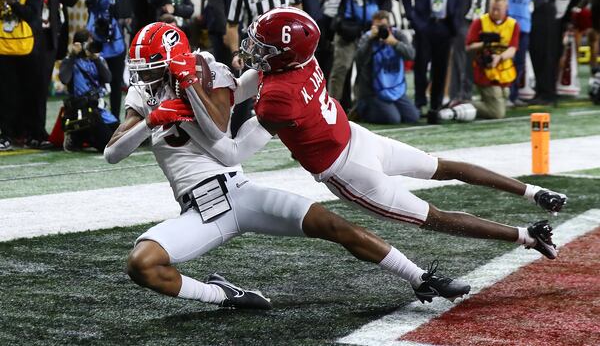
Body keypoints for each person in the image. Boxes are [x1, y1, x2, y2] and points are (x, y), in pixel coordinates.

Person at [104, 22, 470, 308]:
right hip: (201, 209)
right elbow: (113, 153)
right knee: (141, 264)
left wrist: (187, 88)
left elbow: (217, 130)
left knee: (334, 225)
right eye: (141, 69)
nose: (143, 77)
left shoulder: (206, 70)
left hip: (238, 188)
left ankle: (420, 277)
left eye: (152, 68)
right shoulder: (143, 94)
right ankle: (225, 296)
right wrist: (152, 120)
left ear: (176, 61)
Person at [228, 7, 566, 264]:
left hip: (349, 171)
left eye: (264, 46)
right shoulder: (304, 59)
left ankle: (527, 237)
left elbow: (234, 153)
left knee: (435, 218)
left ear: (286, 53)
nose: (257, 51)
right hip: (360, 139)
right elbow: (251, 81)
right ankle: (535, 192)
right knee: (443, 166)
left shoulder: (278, 97)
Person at [225, 0, 302, 134]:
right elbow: (232, 25)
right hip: (256, 50)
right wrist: (236, 53)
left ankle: (298, 130)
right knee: (244, 92)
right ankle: (233, 134)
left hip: (285, 48)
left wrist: (299, 42)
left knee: (294, 88)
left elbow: (298, 10)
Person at [27, 0, 84, 137]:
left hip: (49, 40)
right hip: (26, 38)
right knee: (26, 86)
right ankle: (20, 130)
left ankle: (38, 131)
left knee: (42, 87)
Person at [327, 0, 395, 109]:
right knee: (340, 69)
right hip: (347, 30)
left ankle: (359, 108)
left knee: (365, 72)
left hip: (370, 31)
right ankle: (331, 107)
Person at [402, 0, 462, 121]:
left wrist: (454, 26)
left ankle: (435, 104)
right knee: (420, 66)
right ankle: (419, 102)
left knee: (440, 68)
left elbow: (458, 4)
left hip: (444, 27)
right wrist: (414, 20)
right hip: (424, 26)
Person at [0, 0, 44, 150]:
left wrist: (14, 4)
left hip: (27, 47)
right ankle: (6, 134)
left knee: (30, 92)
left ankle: (31, 134)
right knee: (6, 94)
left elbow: (33, 15)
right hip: (3, 47)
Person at [354, 10, 419, 124]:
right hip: (373, 91)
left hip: (394, 88)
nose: (380, 30)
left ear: (389, 26)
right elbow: (359, 59)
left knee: (413, 117)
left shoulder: (397, 35)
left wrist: (394, 43)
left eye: (383, 26)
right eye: (377, 26)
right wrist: (370, 40)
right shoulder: (367, 37)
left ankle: (387, 107)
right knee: (393, 119)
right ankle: (363, 110)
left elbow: (411, 55)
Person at [85, 0, 130, 120]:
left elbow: (123, 14)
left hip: (116, 45)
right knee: (94, 84)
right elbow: (89, 3)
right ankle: (95, 119)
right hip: (96, 43)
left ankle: (115, 121)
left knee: (116, 84)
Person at [463, 0, 520, 120]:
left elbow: (513, 48)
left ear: (506, 8)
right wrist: (485, 44)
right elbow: (468, 46)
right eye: (492, 9)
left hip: (503, 73)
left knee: (503, 95)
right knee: (497, 113)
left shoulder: (513, 24)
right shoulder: (480, 22)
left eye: (498, 10)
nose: (494, 13)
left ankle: (477, 102)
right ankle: (465, 104)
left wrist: (499, 57)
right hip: (485, 72)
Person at [59, 29, 118, 152]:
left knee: (123, 137)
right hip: (82, 111)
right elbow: (64, 79)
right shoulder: (70, 60)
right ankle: (75, 137)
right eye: (89, 44)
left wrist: (96, 59)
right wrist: (72, 55)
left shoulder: (98, 59)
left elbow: (108, 78)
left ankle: (80, 138)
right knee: (109, 145)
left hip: (99, 109)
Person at [449, 0, 492, 104]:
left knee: (471, 63)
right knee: (459, 62)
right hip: (464, 24)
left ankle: (466, 96)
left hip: (479, 27)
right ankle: (455, 96)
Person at [496, 0, 535, 106]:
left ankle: (513, 94)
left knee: (519, 63)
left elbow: (533, 0)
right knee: (506, 61)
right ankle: (503, 94)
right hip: (509, 25)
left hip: (525, 25)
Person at [527, 0, 558, 105]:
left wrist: (534, 2)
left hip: (544, 10)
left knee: (546, 52)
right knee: (535, 51)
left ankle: (548, 93)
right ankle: (540, 90)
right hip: (532, 11)